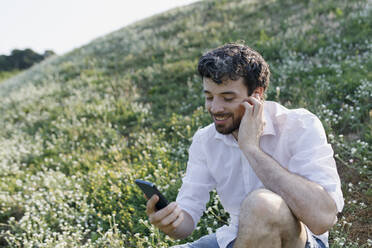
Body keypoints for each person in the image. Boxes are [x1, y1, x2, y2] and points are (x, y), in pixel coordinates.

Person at [145, 43, 344, 248]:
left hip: (300, 242)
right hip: (235, 239)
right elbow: (188, 217)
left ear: (256, 95)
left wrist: (251, 148)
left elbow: (323, 219)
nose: (215, 108)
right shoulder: (205, 141)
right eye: (209, 97)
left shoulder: (300, 125)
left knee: (262, 205)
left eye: (228, 98)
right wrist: (172, 223)